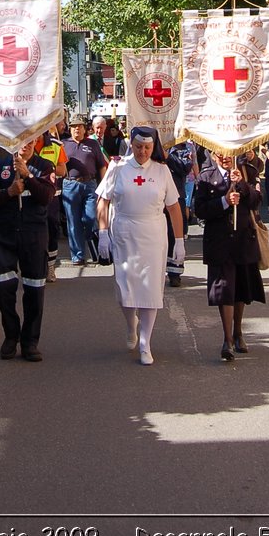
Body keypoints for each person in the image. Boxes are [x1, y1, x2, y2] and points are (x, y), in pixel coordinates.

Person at [96, 126, 185, 365]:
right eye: (138, 147)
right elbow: (103, 200)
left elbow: (174, 207)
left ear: (153, 147)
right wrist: (102, 232)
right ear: (131, 146)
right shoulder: (118, 168)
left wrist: (179, 240)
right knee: (126, 287)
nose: (142, 151)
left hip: (153, 234)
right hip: (125, 231)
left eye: (147, 147)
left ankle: (146, 342)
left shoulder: (162, 170)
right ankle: (131, 325)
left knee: (150, 287)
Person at [0, 137, 54, 361]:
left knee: (34, 290)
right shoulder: (1, 166)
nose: (27, 143)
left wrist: (29, 176)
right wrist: (9, 193)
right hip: (6, 234)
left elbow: (46, 197)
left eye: (31, 139)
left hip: (34, 235)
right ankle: (11, 336)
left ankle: (30, 341)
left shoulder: (44, 166)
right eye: (22, 139)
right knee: (3, 288)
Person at [194, 147, 266, 361]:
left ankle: (238, 332)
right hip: (219, 241)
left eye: (228, 153)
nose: (224, 157)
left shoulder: (247, 172)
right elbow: (200, 209)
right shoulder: (206, 177)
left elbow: (256, 201)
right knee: (224, 289)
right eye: (219, 153)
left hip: (243, 239)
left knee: (240, 289)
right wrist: (224, 202)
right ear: (212, 154)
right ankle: (227, 339)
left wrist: (243, 186)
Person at [62, 112, 106, 265]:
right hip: (70, 185)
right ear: (70, 129)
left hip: (90, 185)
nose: (77, 130)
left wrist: (104, 186)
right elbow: (59, 166)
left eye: (79, 127)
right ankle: (78, 256)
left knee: (91, 218)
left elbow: (101, 166)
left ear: (85, 129)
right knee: (73, 221)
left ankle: (94, 245)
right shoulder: (64, 144)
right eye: (74, 127)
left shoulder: (93, 144)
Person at [34, 130, 68, 282]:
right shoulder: (24, 144)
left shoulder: (55, 145)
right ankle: (36, 266)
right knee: (32, 231)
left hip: (51, 196)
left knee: (52, 231)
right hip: (30, 196)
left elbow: (63, 170)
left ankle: (50, 267)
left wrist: (45, 169)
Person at [164, 140, 194, 287]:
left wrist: (167, 156)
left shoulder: (186, 148)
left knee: (175, 234)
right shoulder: (157, 145)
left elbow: (185, 167)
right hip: (156, 196)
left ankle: (174, 272)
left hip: (176, 195)